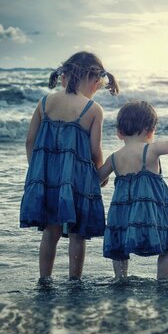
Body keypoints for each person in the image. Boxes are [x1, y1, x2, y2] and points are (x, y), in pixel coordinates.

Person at [20, 51, 119, 282]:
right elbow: (95, 150)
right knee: (77, 234)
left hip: (46, 177)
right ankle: (75, 281)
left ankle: (45, 278)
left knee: (50, 232)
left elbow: (29, 141)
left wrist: (36, 171)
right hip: (78, 180)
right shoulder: (93, 109)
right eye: (99, 85)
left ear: (64, 76)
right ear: (94, 80)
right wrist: (100, 174)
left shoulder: (44, 103)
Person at [97, 101, 168, 279]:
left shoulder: (114, 157)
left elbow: (96, 179)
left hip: (123, 213)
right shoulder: (151, 150)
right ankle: (163, 281)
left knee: (120, 247)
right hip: (153, 210)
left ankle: (121, 279)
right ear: (150, 130)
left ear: (119, 132)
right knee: (167, 246)